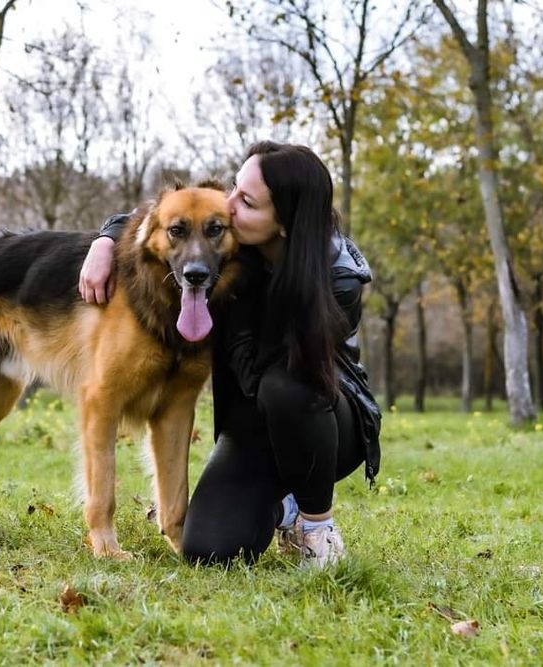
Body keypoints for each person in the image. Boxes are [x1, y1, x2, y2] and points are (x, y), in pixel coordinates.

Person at [78, 141, 381, 567]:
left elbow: (291, 377)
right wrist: (105, 240)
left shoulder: (337, 278)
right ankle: (279, 507)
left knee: (284, 387)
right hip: (254, 429)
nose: (230, 202)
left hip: (324, 422)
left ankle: (315, 524)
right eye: (235, 187)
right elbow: (169, 217)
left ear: (284, 221)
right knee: (208, 550)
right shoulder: (232, 245)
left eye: (247, 200)